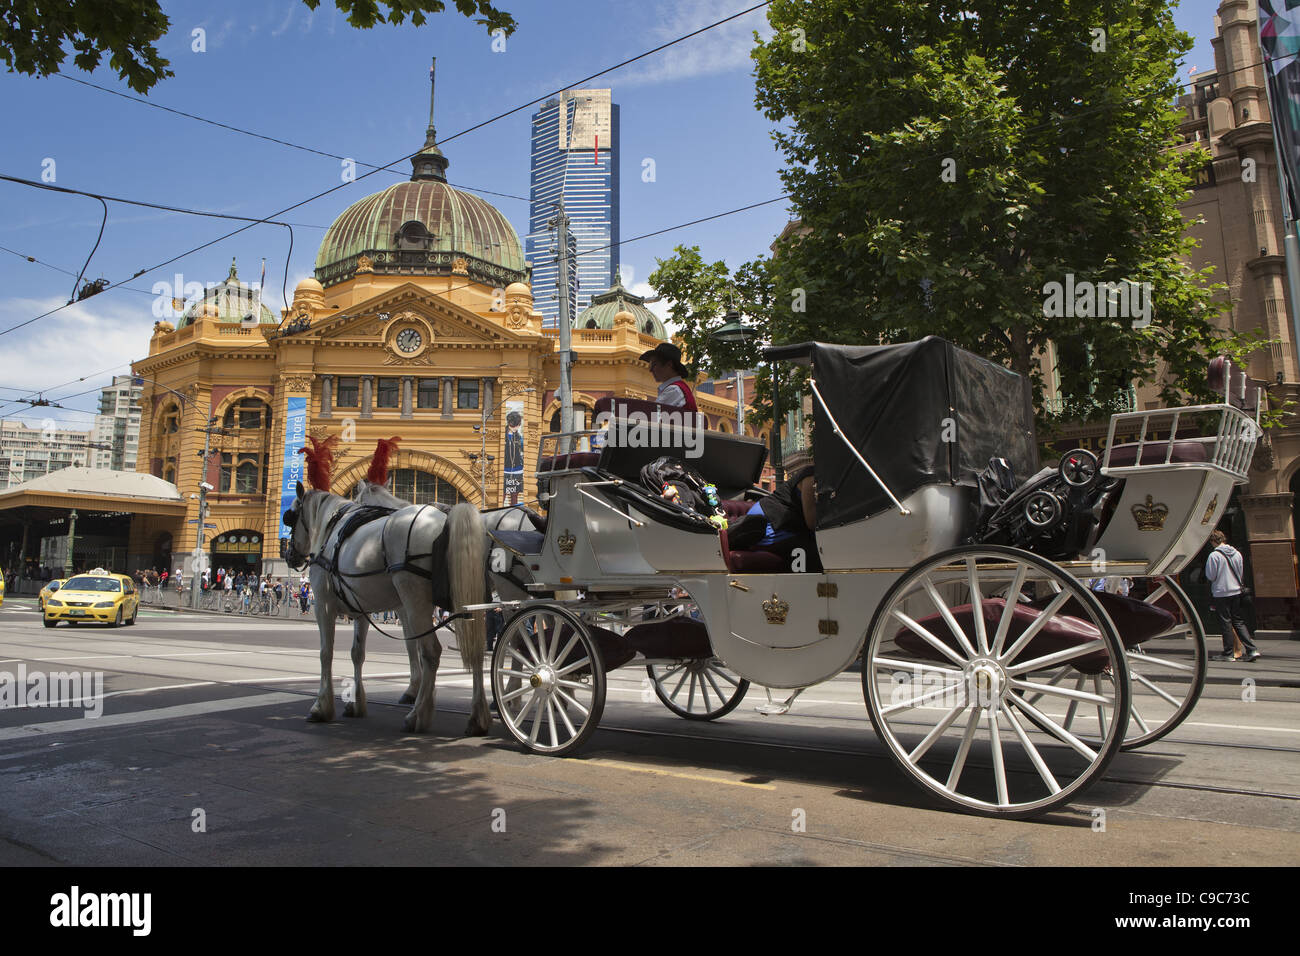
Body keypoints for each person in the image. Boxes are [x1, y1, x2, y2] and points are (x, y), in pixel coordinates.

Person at [726, 452, 818, 566]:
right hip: (769, 527)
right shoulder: (811, 476)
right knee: (818, 553)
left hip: (785, 526)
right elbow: (812, 522)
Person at [1206, 530, 1260, 662]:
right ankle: (1252, 649)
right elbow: (1240, 572)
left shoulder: (1214, 555)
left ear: (1213, 541)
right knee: (1238, 621)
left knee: (1225, 623)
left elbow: (1210, 575)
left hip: (1221, 592)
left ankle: (1228, 653)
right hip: (1236, 591)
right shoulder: (1237, 553)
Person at [639, 342, 697, 412]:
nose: (650, 370)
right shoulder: (679, 388)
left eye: (654, 365)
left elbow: (651, 416)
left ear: (669, 365)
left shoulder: (674, 390)